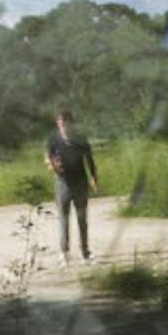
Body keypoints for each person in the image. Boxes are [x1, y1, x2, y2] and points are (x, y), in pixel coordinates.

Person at [45, 109, 99, 262]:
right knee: (63, 218)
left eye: (65, 122)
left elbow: (90, 159)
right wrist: (53, 165)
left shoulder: (80, 139)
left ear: (71, 123)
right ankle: (64, 252)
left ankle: (85, 251)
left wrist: (94, 178)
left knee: (82, 218)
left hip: (80, 182)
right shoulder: (53, 139)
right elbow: (48, 156)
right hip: (62, 183)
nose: (62, 125)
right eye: (60, 122)